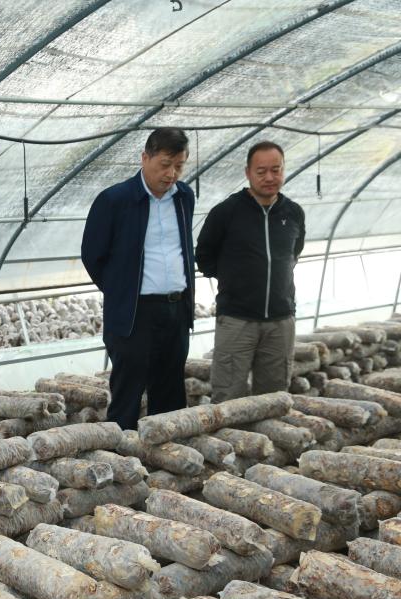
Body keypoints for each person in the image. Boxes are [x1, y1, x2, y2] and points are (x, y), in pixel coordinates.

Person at [81, 128, 196, 430]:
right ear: (145, 158)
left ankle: (167, 452)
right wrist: (122, 291)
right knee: (128, 392)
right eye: (165, 164)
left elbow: (184, 248)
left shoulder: (184, 197)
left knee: (170, 392)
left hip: (176, 309)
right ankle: (121, 452)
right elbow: (93, 256)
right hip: (134, 314)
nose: (172, 174)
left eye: (179, 166)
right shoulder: (115, 200)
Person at [195, 141, 305, 402]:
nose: (269, 177)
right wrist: (236, 280)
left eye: (276, 170)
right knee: (228, 397)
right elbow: (204, 257)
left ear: (283, 170)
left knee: (274, 398)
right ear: (248, 173)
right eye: (261, 171)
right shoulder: (226, 212)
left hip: (280, 321)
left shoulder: (293, 213)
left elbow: (293, 254)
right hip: (237, 320)